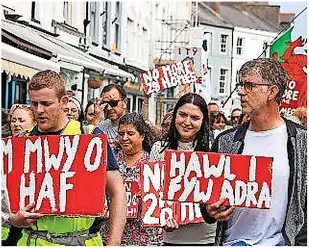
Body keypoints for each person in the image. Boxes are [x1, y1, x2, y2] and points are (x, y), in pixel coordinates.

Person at [200, 58, 307, 246]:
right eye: (240, 85)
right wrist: (209, 211)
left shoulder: (302, 141)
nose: (241, 91)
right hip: (232, 242)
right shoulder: (226, 141)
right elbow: (205, 198)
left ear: (272, 92)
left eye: (249, 85)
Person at [15, 70, 126, 246]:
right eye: (34, 104)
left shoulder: (89, 136)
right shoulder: (22, 141)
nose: (39, 110)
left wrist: (113, 244)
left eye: (46, 103)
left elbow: (118, 192)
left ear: (63, 102)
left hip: (81, 241)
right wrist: (14, 219)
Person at [150, 93, 217, 246]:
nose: (187, 122)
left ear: (203, 121)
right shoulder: (158, 149)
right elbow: (154, 192)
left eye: (194, 118)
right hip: (171, 238)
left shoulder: (215, 149)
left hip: (207, 238)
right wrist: (161, 216)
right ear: (174, 116)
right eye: (182, 115)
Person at [101, 112, 163, 246]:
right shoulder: (109, 161)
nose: (124, 138)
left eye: (130, 133)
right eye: (121, 133)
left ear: (142, 136)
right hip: (110, 235)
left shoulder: (152, 163)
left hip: (144, 237)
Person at [93, 84, 127, 152]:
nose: (109, 108)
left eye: (113, 103)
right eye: (105, 103)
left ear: (124, 102)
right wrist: (97, 117)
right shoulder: (101, 126)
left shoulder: (134, 125)